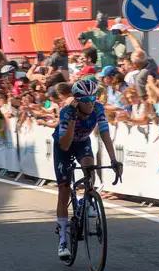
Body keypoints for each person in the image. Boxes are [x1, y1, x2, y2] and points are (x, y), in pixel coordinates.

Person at [52, 79, 123, 258]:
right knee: (64, 189)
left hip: (83, 142)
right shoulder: (67, 113)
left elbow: (105, 134)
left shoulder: (98, 109)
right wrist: (74, 120)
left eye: (93, 97)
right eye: (85, 99)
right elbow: (65, 144)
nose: (90, 102)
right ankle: (62, 242)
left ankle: (87, 200)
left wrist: (114, 160)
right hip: (63, 146)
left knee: (90, 168)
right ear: (77, 101)